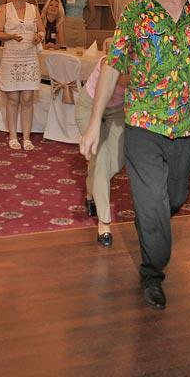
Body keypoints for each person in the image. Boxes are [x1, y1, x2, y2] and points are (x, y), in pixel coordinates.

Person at [80, 0, 190, 310]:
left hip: (186, 128)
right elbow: (113, 66)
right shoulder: (136, 12)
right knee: (151, 204)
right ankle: (152, 273)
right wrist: (94, 122)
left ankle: (151, 223)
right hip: (143, 123)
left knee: (175, 197)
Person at [74, 58, 127, 246]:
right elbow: (123, 79)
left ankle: (90, 191)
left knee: (117, 161)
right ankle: (104, 223)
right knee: (102, 158)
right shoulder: (110, 61)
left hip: (118, 111)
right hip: (90, 107)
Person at [0, 0, 44, 151]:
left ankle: (27, 138)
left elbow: (42, 30)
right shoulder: (4, 9)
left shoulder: (33, 9)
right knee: (13, 98)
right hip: (11, 57)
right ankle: (13, 136)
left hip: (30, 58)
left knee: (28, 98)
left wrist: (39, 36)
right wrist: (10, 36)